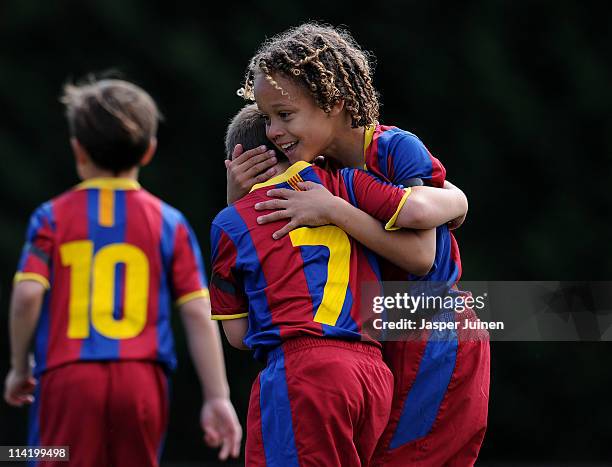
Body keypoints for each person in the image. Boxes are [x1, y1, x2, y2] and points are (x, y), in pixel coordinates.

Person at [230, 22, 490, 466]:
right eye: (267, 117)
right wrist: (237, 195)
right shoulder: (318, 168)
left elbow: (422, 257)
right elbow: (262, 256)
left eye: (284, 115)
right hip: (372, 335)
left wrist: (335, 211)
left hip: (430, 327)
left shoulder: (393, 148)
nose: (273, 130)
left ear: (335, 104)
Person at [209, 104, 467, 466]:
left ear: (235, 160)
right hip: (373, 374)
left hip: (303, 372)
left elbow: (237, 336)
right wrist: (460, 199)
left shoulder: (229, 223)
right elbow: (414, 208)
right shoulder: (345, 182)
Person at [3, 78, 241, 466]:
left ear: (77, 149)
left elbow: (28, 294)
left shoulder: (50, 218)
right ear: (149, 151)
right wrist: (217, 397)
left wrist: (17, 368)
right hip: (142, 381)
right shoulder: (170, 222)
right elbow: (198, 312)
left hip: (68, 379)